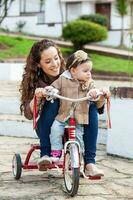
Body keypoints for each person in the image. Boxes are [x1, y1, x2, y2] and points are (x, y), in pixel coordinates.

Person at [20, 39, 110, 176]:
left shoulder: (72, 72)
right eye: (48, 61)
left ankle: (90, 163)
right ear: (38, 64)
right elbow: (28, 113)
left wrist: (100, 96)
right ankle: (45, 153)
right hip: (49, 127)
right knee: (54, 101)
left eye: (56, 58)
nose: (55, 64)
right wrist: (37, 97)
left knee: (90, 105)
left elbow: (97, 103)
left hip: (74, 122)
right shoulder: (36, 82)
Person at [45, 50, 107, 166]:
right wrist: (51, 90)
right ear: (73, 71)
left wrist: (94, 92)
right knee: (55, 129)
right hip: (63, 116)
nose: (89, 74)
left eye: (90, 71)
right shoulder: (63, 79)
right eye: (85, 71)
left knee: (79, 137)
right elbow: (55, 87)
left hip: (79, 118)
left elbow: (94, 90)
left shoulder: (89, 82)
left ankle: (78, 158)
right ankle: (56, 152)